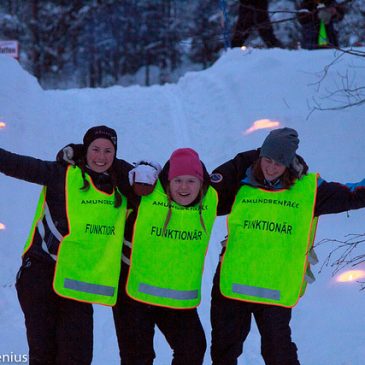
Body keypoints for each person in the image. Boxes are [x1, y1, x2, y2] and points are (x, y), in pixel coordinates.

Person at [209, 127, 365, 365]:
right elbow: (194, 193)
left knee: (278, 351)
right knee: (224, 349)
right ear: (260, 156)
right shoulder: (241, 179)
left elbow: (351, 194)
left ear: (289, 162)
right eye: (267, 160)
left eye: (278, 163)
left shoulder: (309, 190)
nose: (271, 168)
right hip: (233, 280)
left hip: (275, 284)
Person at [0, 125, 144, 365]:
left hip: (77, 285)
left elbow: (158, 189)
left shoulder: (122, 186)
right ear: (85, 150)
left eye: (108, 151)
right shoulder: (61, 174)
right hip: (40, 275)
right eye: (95, 149)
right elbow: (17, 164)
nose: (101, 157)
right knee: (43, 356)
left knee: (76, 357)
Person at [112, 148, 218, 365]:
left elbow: (245, 174)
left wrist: (284, 159)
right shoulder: (144, 191)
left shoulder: (212, 199)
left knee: (193, 347)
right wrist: (78, 150)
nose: (184, 188)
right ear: (167, 181)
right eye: (177, 181)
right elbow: (105, 162)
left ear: (201, 182)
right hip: (133, 291)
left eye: (191, 181)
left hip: (173, 295)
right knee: (137, 358)